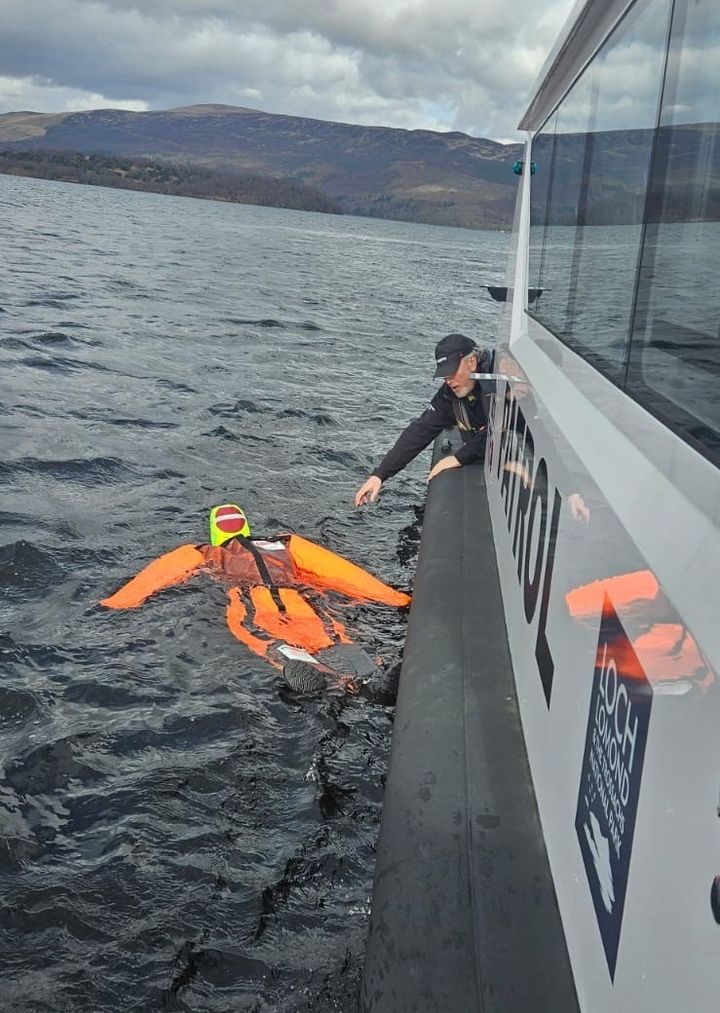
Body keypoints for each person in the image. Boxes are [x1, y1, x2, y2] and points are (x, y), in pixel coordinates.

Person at [101, 503, 410, 690]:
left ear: (214, 531)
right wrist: (393, 598)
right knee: (332, 634)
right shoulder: (285, 543)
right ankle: (371, 677)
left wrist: (120, 602)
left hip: (251, 601)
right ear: (246, 526)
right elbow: (341, 573)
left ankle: (317, 679)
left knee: (267, 639)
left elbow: (158, 575)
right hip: (298, 597)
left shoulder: (204, 552)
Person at [355, 333, 492, 506]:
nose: (448, 381)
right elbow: (419, 431)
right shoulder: (448, 396)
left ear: (472, 362)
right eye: (444, 375)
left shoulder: (501, 384)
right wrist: (379, 475)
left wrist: (459, 458)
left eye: (452, 372)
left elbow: (503, 429)